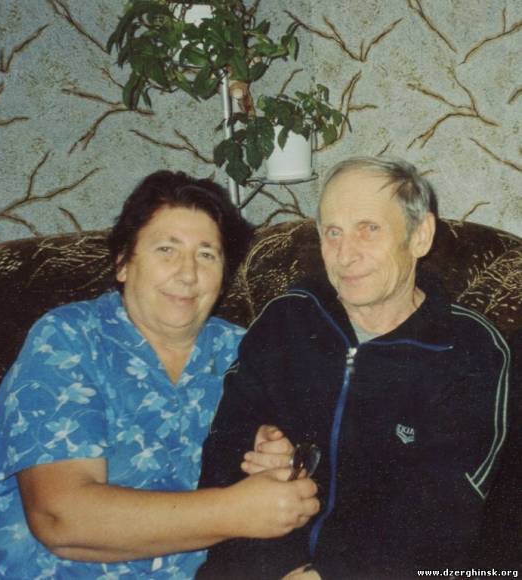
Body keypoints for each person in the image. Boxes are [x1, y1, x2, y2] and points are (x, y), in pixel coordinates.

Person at [0, 170, 319, 579]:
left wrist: (278, 455)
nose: (187, 273)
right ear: (123, 263)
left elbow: (303, 468)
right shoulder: (70, 337)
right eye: (166, 249)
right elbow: (60, 517)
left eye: (207, 255)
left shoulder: (247, 351)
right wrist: (235, 511)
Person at [197, 157, 516, 579]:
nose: (345, 255)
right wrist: (256, 449)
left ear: (420, 235)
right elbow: (220, 453)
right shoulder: (285, 320)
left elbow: (446, 514)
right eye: (333, 232)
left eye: (369, 228)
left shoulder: (471, 351)